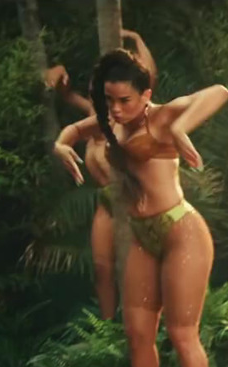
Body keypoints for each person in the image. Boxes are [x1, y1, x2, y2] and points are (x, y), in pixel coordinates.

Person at [51, 49, 228, 367]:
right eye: (109, 101)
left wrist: (182, 129)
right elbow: (72, 133)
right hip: (141, 234)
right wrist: (61, 146)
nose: (115, 109)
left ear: (146, 94)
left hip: (181, 231)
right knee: (136, 335)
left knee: (182, 333)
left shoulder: (162, 116)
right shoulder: (109, 120)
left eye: (124, 100)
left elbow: (219, 91)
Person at [43, 29, 158, 322]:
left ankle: (150, 325)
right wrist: (57, 73)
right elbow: (64, 93)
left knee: (140, 267)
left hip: (135, 201)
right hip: (107, 201)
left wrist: (135, 38)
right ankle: (107, 331)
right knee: (102, 267)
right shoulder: (94, 117)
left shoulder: (129, 119)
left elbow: (148, 78)